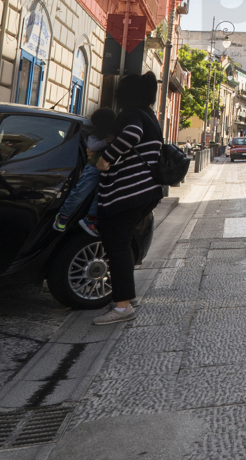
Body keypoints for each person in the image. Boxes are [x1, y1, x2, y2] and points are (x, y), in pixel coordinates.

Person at [92, 72, 164, 325]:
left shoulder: (131, 115)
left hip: (129, 191)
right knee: (120, 244)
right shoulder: (149, 115)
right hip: (146, 191)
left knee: (117, 246)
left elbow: (131, 134)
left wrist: (106, 157)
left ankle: (122, 307)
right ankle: (126, 298)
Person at [53, 107, 116, 235]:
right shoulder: (95, 134)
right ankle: (63, 215)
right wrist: (106, 141)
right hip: (93, 168)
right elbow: (92, 146)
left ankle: (91, 219)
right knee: (81, 191)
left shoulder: (114, 134)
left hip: (106, 169)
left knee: (99, 195)